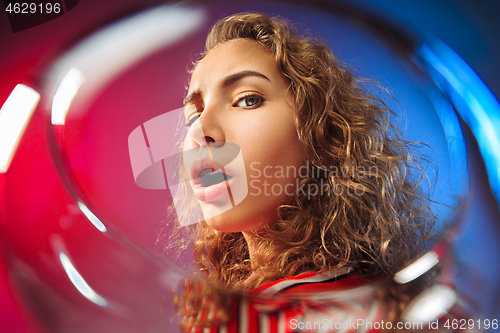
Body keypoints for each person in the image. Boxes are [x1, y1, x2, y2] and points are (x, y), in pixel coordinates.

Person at [172, 12, 436, 332]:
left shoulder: (264, 318)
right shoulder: (374, 302)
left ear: (323, 134)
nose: (201, 132)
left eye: (247, 99)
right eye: (192, 116)